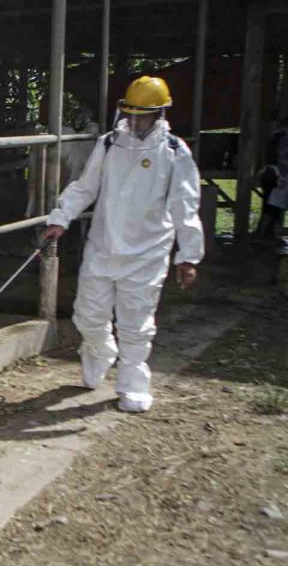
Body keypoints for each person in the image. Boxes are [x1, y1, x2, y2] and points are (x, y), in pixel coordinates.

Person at [42, 75, 205, 413]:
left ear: (159, 114)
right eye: (131, 114)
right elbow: (86, 187)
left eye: (142, 115)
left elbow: (185, 205)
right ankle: (101, 350)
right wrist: (61, 217)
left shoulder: (175, 152)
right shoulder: (109, 144)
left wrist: (188, 256)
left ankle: (132, 384)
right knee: (87, 315)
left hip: (147, 253)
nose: (135, 121)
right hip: (103, 245)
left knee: (135, 324)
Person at [255, 114, 288, 241]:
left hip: (267, 173)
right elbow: (282, 159)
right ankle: (266, 235)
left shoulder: (271, 139)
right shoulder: (284, 139)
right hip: (277, 176)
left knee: (268, 205)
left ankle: (264, 234)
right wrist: (284, 177)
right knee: (274, 208)